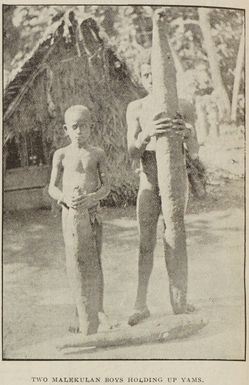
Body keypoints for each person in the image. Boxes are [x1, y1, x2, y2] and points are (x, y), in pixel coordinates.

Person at [126, 54, 199, 326]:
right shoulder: (136, 107)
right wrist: (146, 133)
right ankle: (140, 303)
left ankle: (179, 300)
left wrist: (188, 132)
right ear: (141, 78)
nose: (152, 81)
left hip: (175, 184)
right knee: (146, 243)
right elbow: (131, 151)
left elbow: (194, 151)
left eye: (157, 76)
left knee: (176, 237)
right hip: (149, 181)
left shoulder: (183, 105)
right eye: (146, 76)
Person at [49, 105, 110, 335]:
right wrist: (65, 198)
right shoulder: (61, 155)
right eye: (75, 126)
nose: (79, 131)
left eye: (84, 126)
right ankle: (79, 311)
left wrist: (92, 198)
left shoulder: (97, 154)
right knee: (75, 262)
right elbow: (52, 188)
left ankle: (99, 310)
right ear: (66, 129)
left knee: (95, 260)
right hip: (71, 215)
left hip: (93, 214)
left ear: (91, 127)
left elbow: (107, 187)